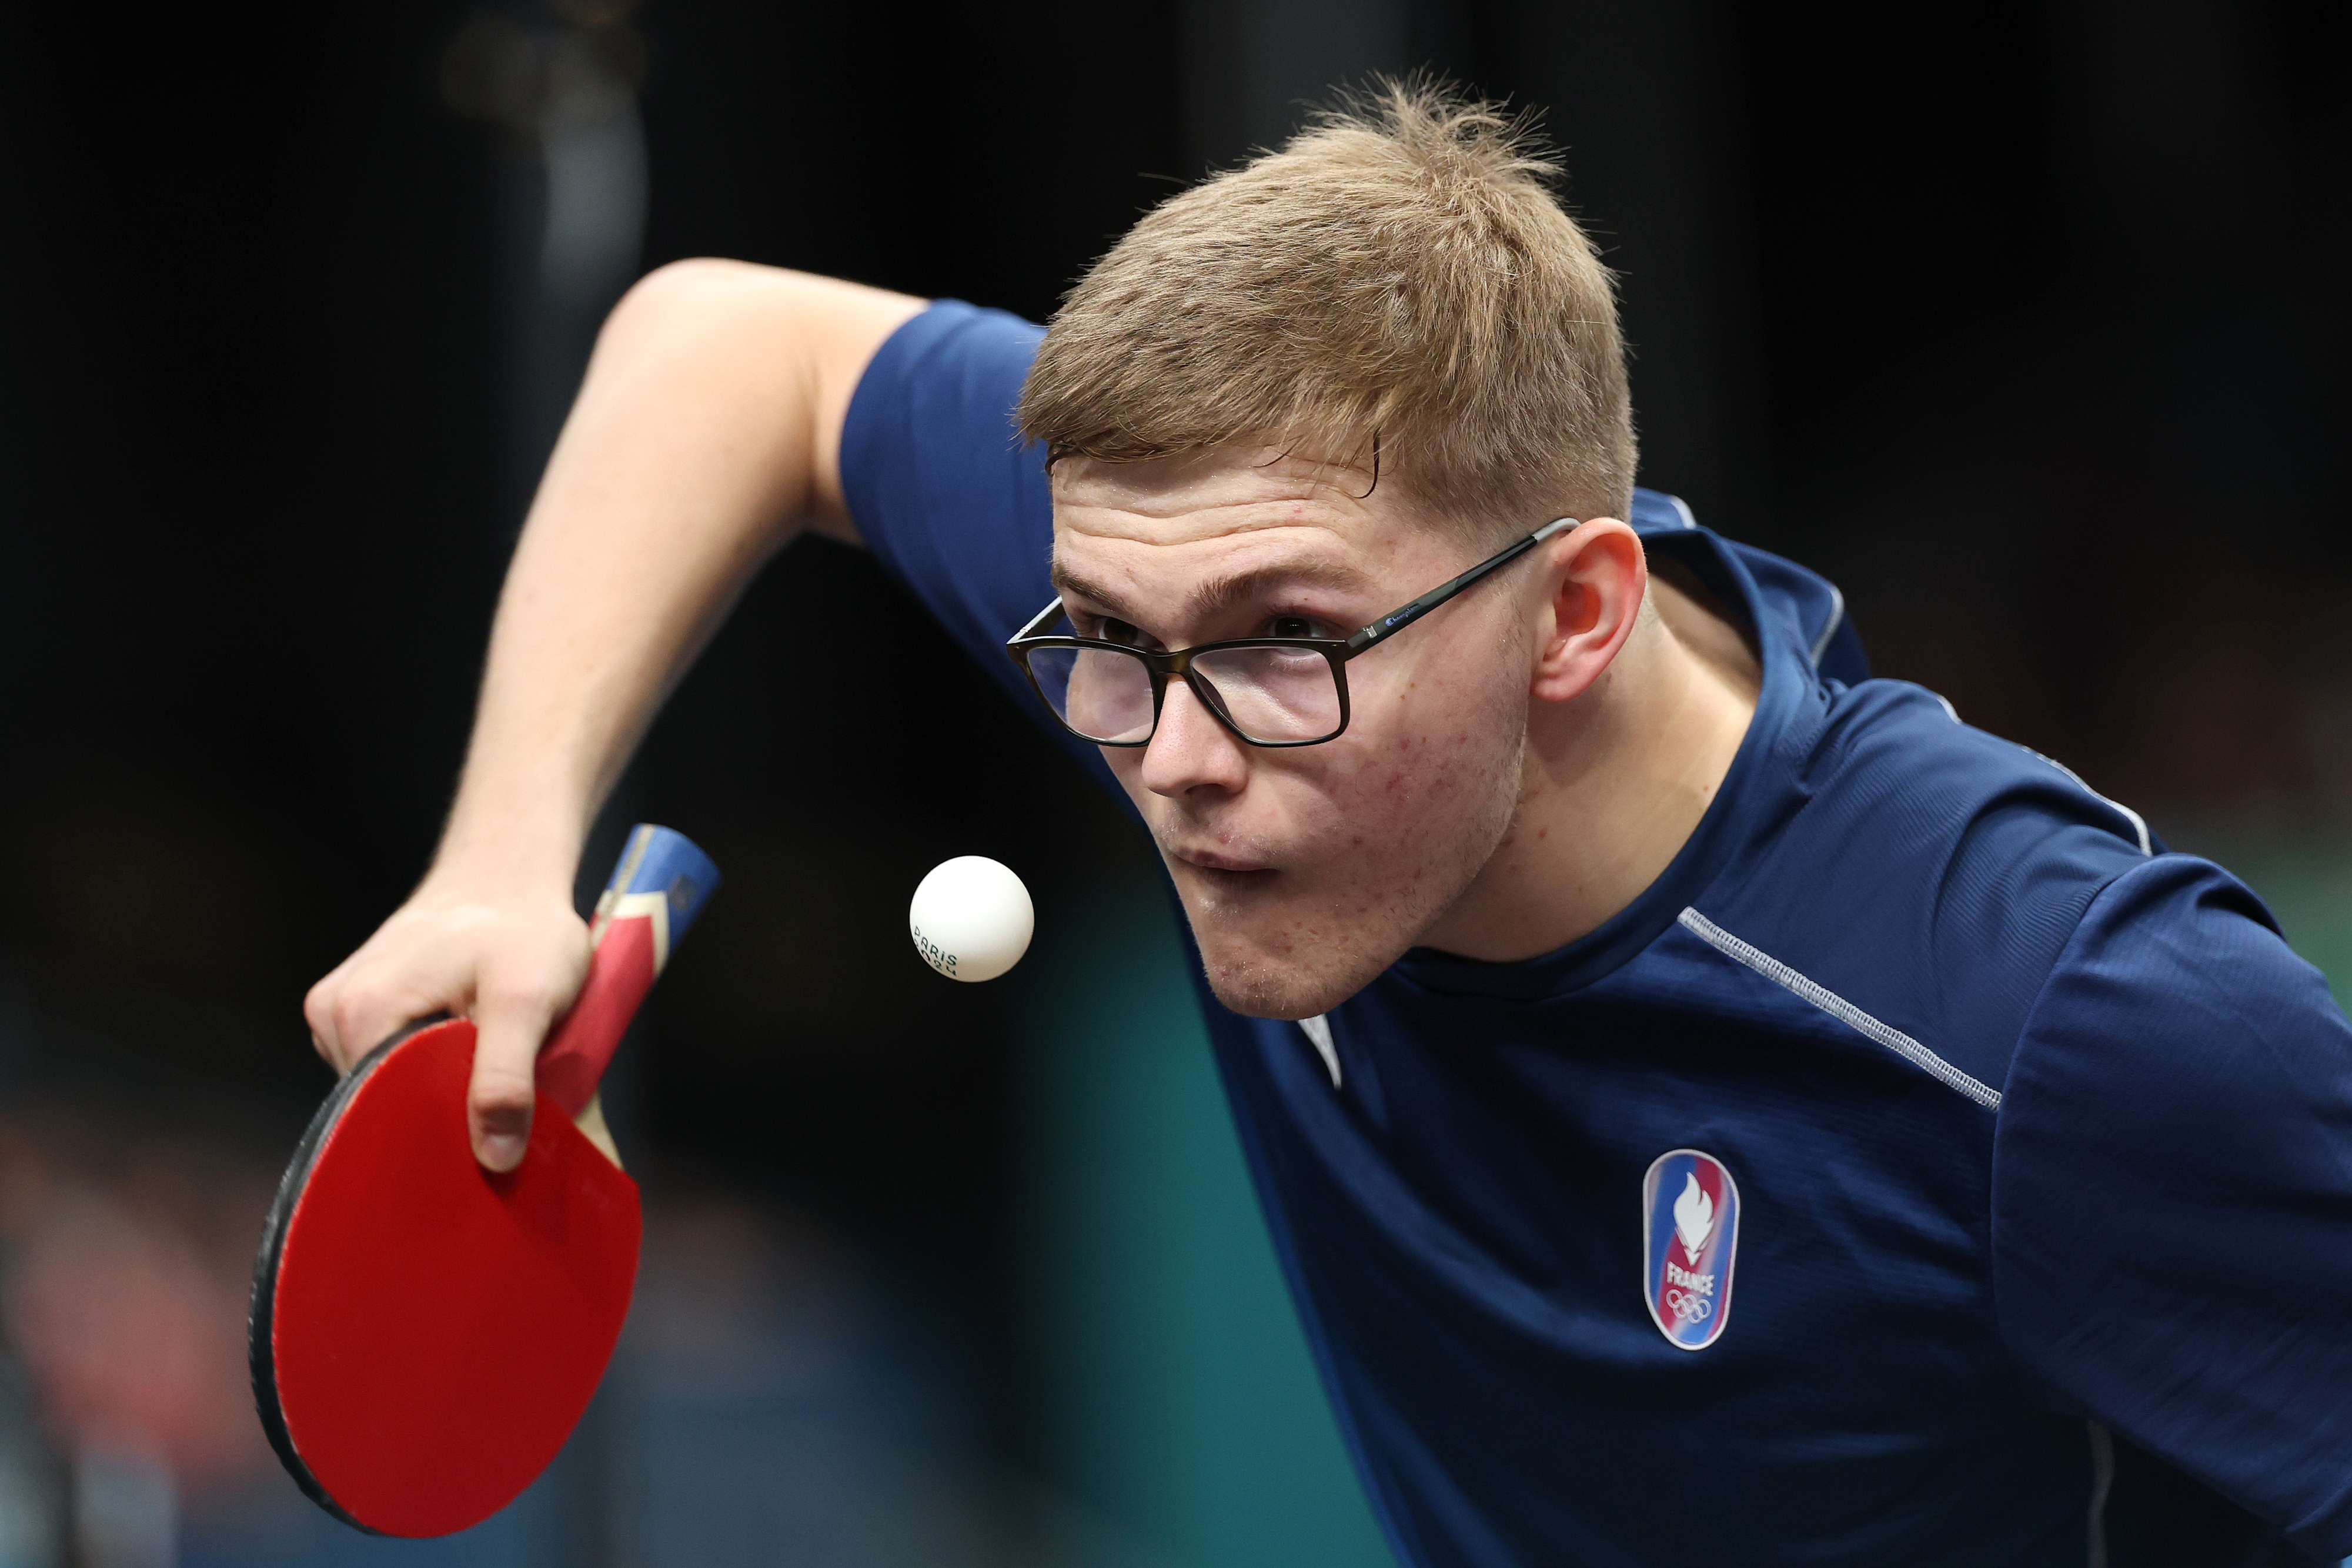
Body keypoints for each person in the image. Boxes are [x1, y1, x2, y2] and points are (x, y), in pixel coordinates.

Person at [303, 84, 2352, 1565]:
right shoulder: (1234, 573)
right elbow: (724, 345)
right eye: (1102, 640)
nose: (1177, 758)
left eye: (1283, 647)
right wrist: (500, 850)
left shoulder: (2054, 1017)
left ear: (1572, 615)